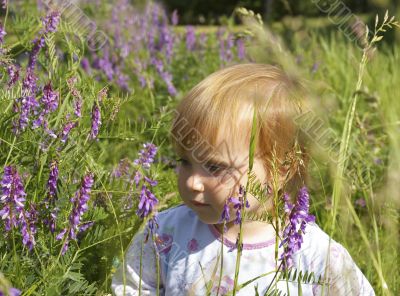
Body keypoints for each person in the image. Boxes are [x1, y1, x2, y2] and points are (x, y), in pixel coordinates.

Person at [112, 64, 375, 295]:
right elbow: (130, 286)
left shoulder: (316, 255)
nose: (192, 182)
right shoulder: (166, 231)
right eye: (185, 162)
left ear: (281, 170)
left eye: (215, 167)